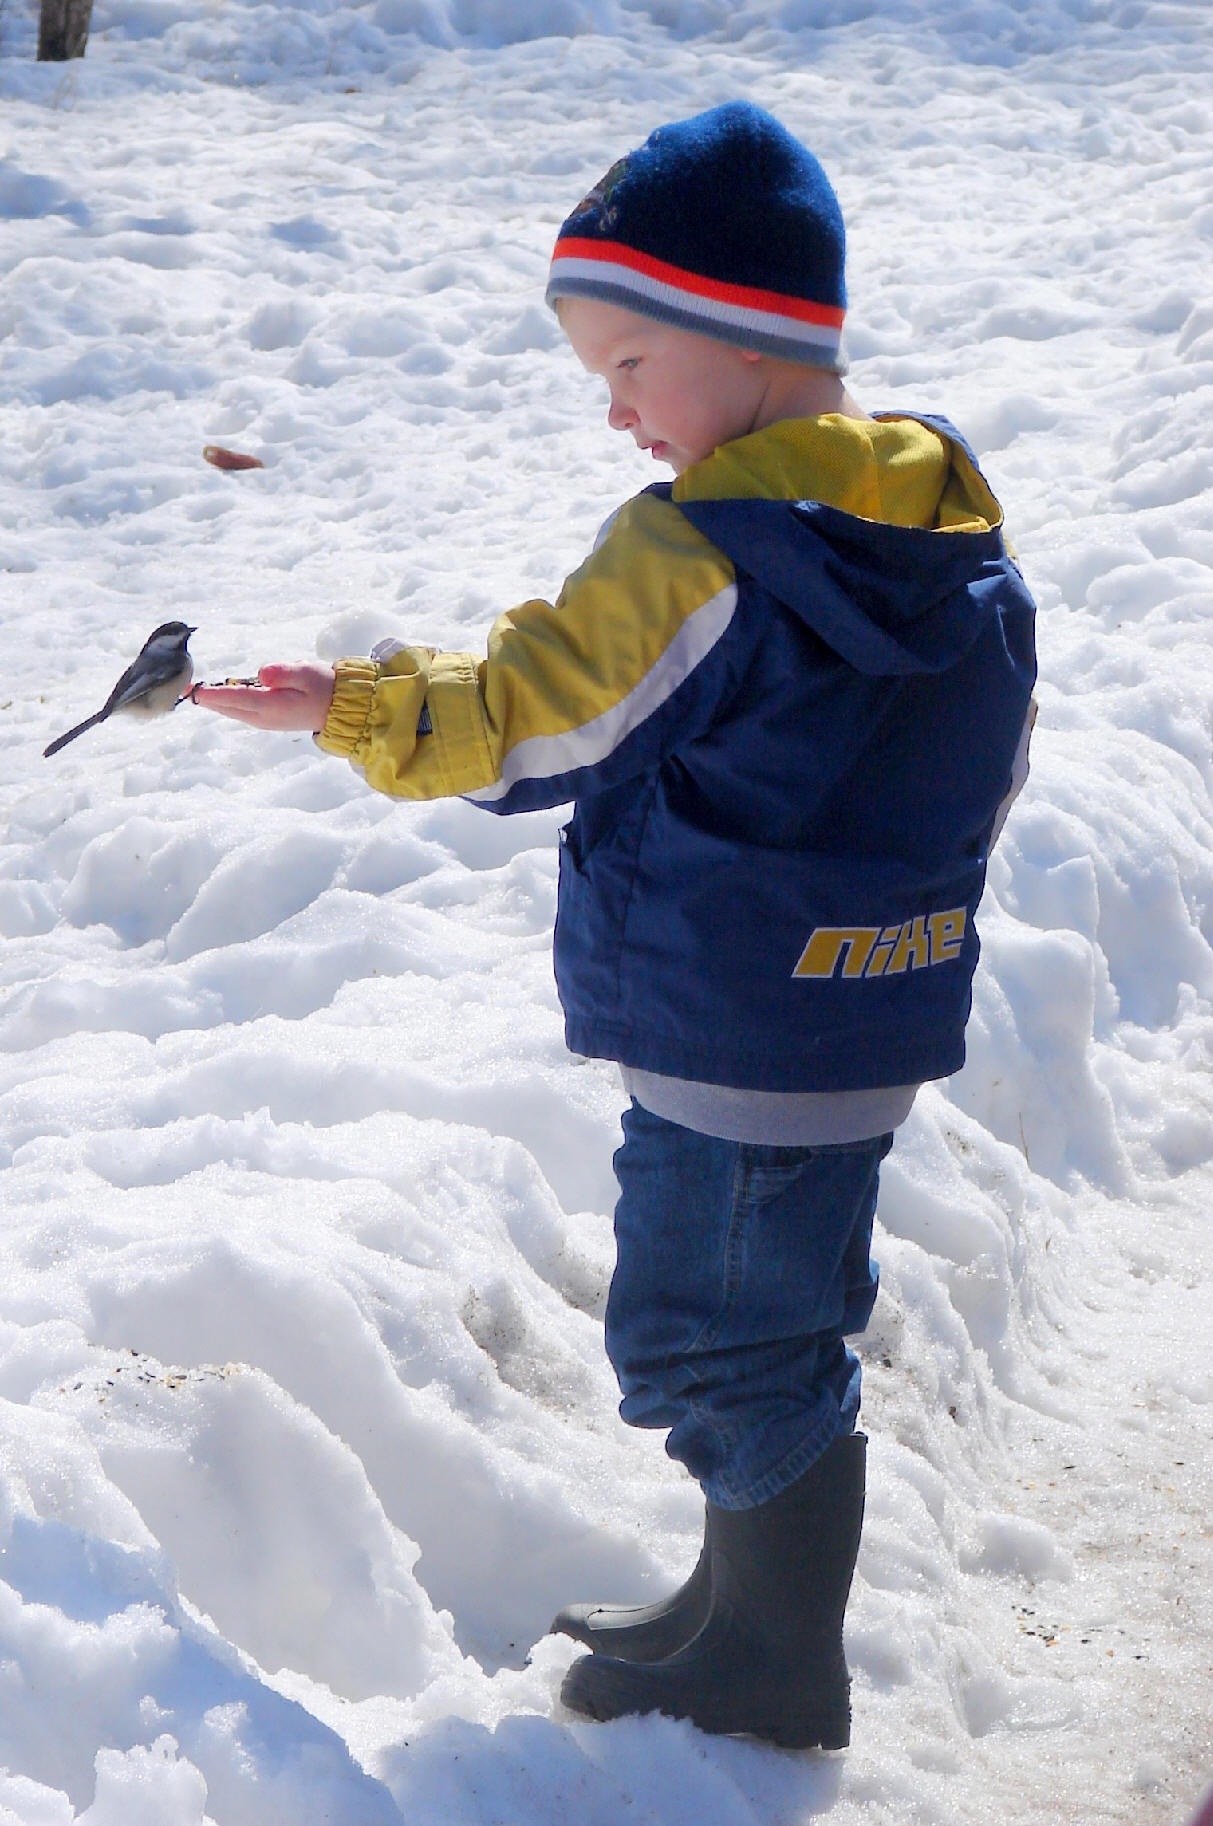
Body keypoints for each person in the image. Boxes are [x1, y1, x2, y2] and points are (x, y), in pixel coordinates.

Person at [195, 100, 1037, 1749]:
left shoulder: (705, 549)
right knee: (774, 1321)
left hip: (732, 1025)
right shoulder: (937, 522)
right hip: (857, 1008)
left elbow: (534, 719)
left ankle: (778, 1663)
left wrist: (350, 705)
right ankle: (733, 1606)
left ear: (742, 338)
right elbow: (986, 761)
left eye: (630, 365)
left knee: (716, 1343)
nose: (614, 414)